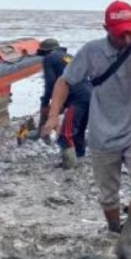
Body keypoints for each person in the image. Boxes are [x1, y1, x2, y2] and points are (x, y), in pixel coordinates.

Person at [42, 0, 131, 259]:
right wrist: (53, 115)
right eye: (121, 33)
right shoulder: (91, 52)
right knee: (109, 195)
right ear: (106, 28)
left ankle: (127, 240)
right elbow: (65, 81)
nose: (128, 37)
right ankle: (114, 232)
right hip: (102, 133)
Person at [37, 38, 93, 168]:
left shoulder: (49, 58)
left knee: (65, 134)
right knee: (78, 132)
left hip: (76, 99)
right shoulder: (69, 57)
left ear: (45, 52)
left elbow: (50, 83)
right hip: (91, 95)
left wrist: (45, 103)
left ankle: (69, 165)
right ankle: (80, 158)